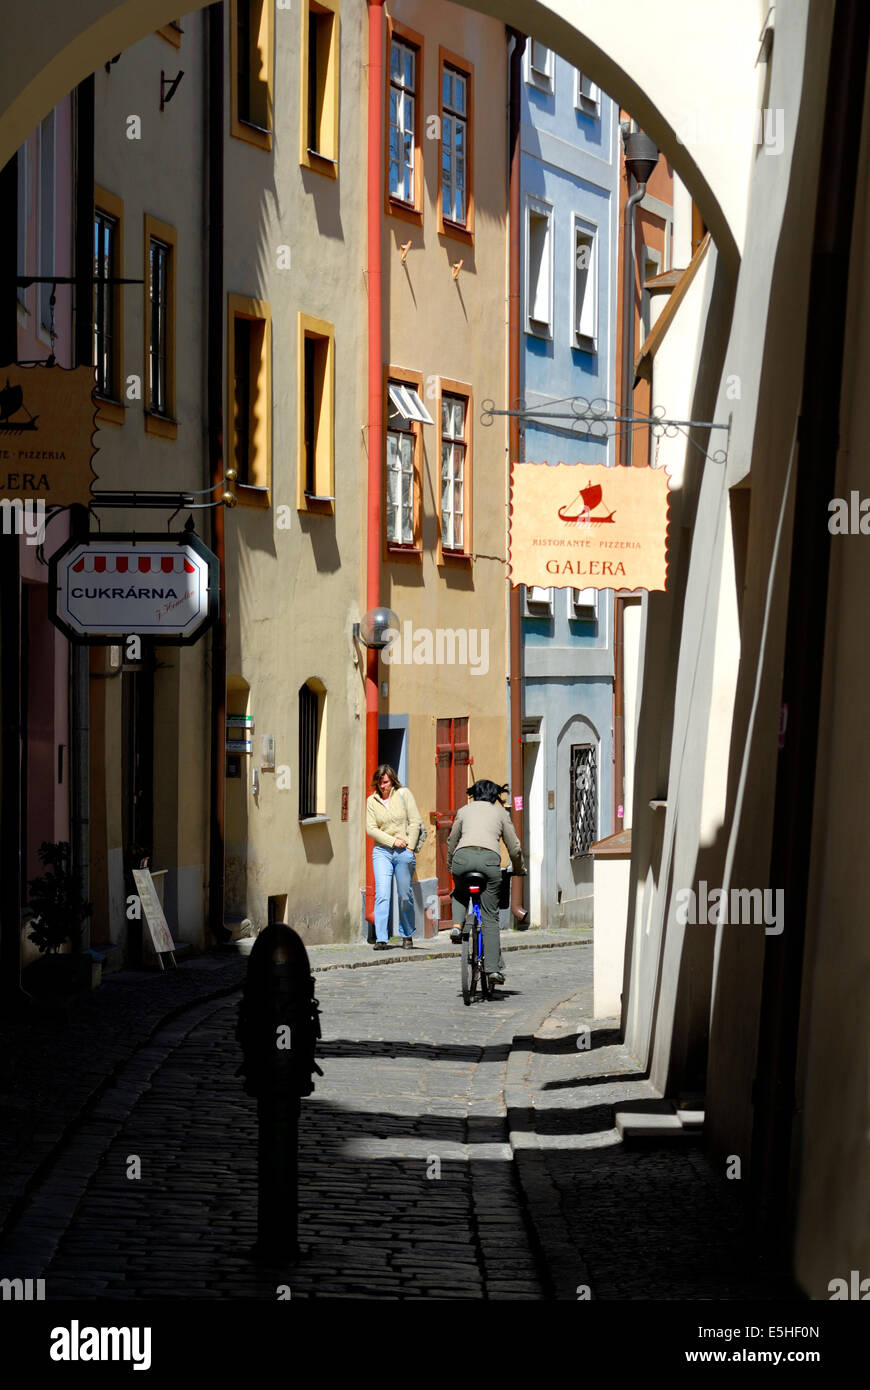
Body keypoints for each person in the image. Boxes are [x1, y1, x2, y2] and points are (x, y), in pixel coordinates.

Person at [235, 923, 323, 1265]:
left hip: (275, 1070)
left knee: (277, 1124)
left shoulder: (271, 961)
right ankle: (278, 1240)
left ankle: (275, 1240)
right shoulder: (285, 961)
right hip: (278, 1070)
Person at [447, 779, 526, 987]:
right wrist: (518, 868)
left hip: (462, 859)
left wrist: (450, 864)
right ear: (495, 795)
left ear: (474, 793)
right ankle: (492, 970)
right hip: (489, 863)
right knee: (490, 916)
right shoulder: (501, 813)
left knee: (460, 891)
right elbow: (514, 847)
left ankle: (456, 926)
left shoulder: (464, 810)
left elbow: (452, 839)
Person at [365, 764, 424, 951]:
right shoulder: (371, 801)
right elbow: (371, 829)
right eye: (380, 783)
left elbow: (415, 822)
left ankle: (407, 934)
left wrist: (410, 848)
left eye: (386, 782)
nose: (383, 786)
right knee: (382, 894)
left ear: (392, 780)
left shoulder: (404, 794)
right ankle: (381, 938)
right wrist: (392, 841)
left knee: (404, 894)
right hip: (382, 851)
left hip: (403, 852)